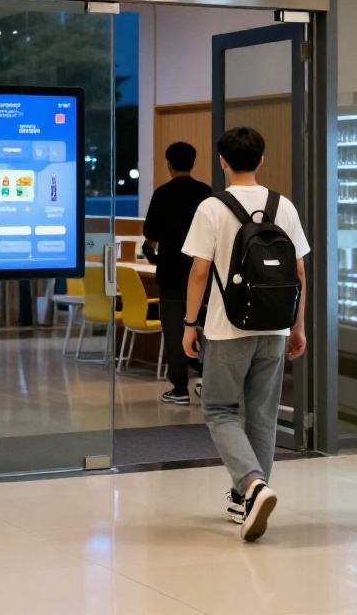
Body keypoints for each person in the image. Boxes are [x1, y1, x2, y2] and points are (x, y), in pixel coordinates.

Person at [183, 127, 308, 542]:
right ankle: (245, 499)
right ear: (262, 158)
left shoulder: (212, 207)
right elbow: (300, 274)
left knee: (218, 410)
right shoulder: (283, 206)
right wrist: (297, 325)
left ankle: (253, 486)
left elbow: (200, 270)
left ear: (221, 161)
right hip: (274, 325)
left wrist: (188, 323)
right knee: (262, 415)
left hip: (227, 326)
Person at [141, 141, 211, 406]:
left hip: (170, 275)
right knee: (210, 330)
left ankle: (180, 389)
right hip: (202, 275)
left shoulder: (162, 194)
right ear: (193, 164)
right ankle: (209, 381)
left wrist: (156, 258)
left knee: (174, 331)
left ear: (169, 165)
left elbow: (151, 236)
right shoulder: (205, 192)